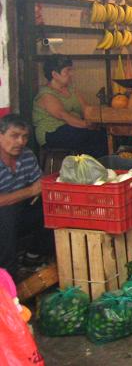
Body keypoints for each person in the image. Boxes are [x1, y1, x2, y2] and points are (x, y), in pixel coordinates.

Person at [0, 115, 53, 278]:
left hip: (18, 212)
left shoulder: (27, 155)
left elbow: (40, 183)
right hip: (4, 217)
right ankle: (8, 274)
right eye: (14, 136)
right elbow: (33, 189)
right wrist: (30, 191)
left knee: (51, 204)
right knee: (6, 214)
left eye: (24, 137)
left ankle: (33, 256)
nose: (20, 142)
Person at [32, 56, 107, 158]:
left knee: (104, 133)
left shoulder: (72, 89)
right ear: (54, 74)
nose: (71, 74)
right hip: (52, 132)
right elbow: (63, 115)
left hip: (73, 127)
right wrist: (86, 125)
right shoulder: (46, 94)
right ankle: (92, 166)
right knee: (90, 136)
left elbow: (86, 109)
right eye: (67, 71)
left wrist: (96, 121)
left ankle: (103, 164)